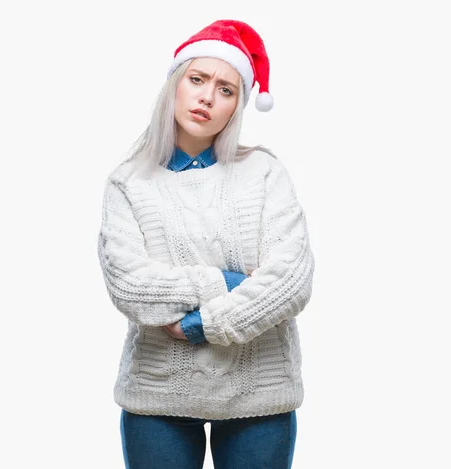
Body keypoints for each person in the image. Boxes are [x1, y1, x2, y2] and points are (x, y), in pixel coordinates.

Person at [97, 19, 315, 469]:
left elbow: (290, 280)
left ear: (237, 106)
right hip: (159, 394)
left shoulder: (264, 173)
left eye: (226, 89)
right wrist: (231, 281)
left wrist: (200, 325)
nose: (207, 97)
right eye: (197, 80)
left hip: (260, 393)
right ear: (175, 85)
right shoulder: (128, 183)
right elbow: (130, 287)